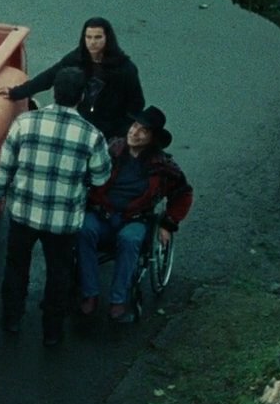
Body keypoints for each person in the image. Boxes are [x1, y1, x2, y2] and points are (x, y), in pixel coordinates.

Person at [0, 67, 112, 346]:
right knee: (59, 273)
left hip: (24, 213)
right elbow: (101, 177)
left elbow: (5, 167)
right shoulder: (91, 135)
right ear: (81, 96)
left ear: (54, 92)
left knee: (16, 267)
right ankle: (52, 333)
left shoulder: (25, 123)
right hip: (63, 221)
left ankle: (12, 319)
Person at [78, 106, 193, 324]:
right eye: (134, 126)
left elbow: (183, 193)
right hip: (102, 214)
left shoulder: (162, 165)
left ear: (152, 138)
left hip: (135, 218)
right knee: (84, 230)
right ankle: (89, 293)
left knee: (129, 240)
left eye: (143, 130)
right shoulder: (111, 150)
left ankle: (118, 299)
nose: (135, 132)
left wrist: (168, 224)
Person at [0, 16, 145, 141]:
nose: (92, 42)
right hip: (81, 122)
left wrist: (120, 131)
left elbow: (136, 103)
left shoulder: (124, 69)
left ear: (108, 39)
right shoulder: (78, 58)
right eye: (88, 37)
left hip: (110, 129)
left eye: (98, 37)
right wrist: (16, 92)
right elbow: (49, 77)